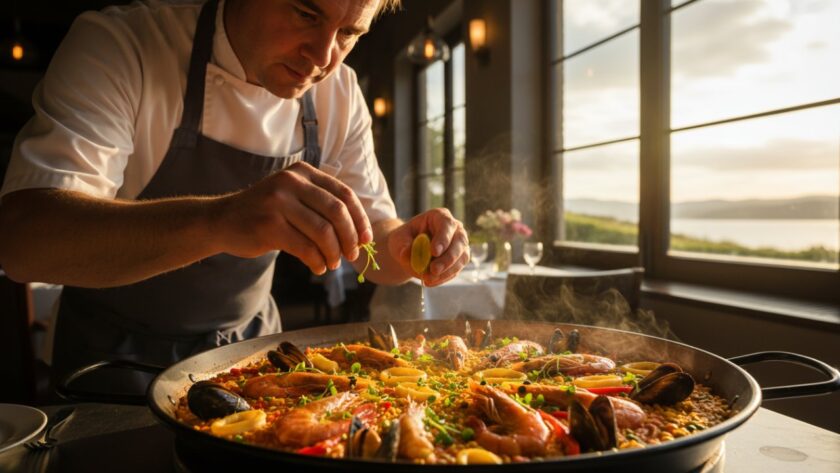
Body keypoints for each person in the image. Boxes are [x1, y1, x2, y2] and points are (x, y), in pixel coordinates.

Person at [0, 0, 469, 390]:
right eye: (306, 14)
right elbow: (23, 243)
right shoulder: (123, 46)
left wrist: (407, 245)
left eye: (348, 34)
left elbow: (373, 247)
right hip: (108, 364)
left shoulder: (339, 95)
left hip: (249, 361)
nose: (323, 56)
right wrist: (220, 221)